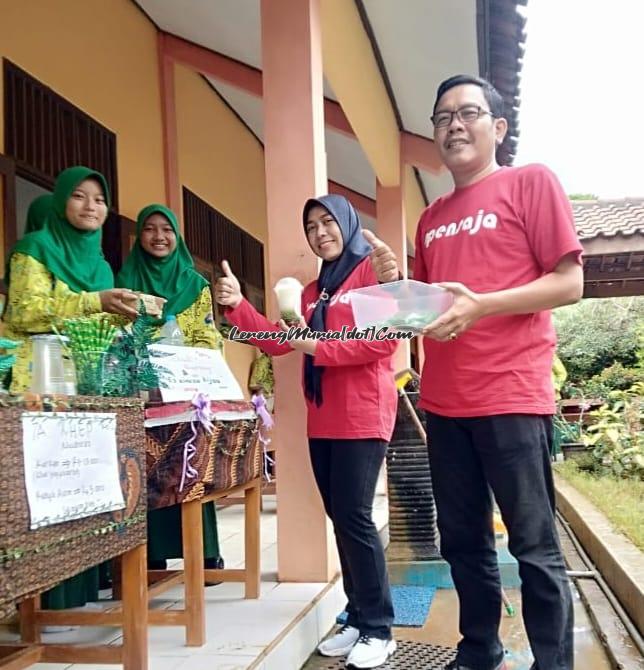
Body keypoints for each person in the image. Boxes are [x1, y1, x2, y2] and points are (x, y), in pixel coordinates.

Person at [365, 75, 584, 670]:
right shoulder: (432, 218)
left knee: (534, 546)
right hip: (447, 403)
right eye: (441, 118)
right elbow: (434, 313)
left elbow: (570, 282)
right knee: (462, 541)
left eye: (467, 113)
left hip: (513, 395)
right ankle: (480, 649)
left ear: (498, 127)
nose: (454, 125)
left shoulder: (528, 181)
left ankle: (552, 663)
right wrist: (396, 288)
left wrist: (483, 303)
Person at [215, 195, 398, 669]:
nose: (320, 233)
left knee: (356, 518)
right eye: (311, 226)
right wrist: (238, 307)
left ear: (348, 224)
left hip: (363, 412)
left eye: (328, 222)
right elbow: (281, 341)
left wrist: (317, 344)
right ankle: (357, 618)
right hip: (324, 417)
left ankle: (380, 628)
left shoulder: (369, 274)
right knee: (341, 519)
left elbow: (382, 344)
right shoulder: (316, 290)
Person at [3, 166, 139, 614]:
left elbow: (94, 323)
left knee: (87, 484)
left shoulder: (100, 263)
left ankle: (82, 590)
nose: (90, 207)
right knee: (46, 489)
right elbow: (25, 312)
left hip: (88, 384)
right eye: (79, 197)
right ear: (62, 201)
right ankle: (44, 604)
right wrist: (94, 301)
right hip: (40, 384)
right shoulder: (35, 248)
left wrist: (125, 320)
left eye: (99, 200)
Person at [116, 204, 225, 581]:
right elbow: (117, 331)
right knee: (143, 469)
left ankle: (204, 554)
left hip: (184, 390)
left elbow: (208, 337)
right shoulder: (126, 280)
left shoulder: (195, 285)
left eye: (167, 229)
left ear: (177, 236)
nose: (159, 236)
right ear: (139, 236)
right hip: (141, 393)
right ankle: (152, 555)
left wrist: (182, 362)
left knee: (190, 467)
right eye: (150, 228)